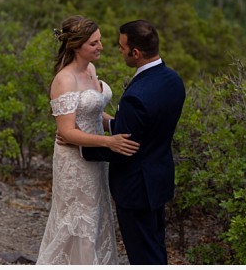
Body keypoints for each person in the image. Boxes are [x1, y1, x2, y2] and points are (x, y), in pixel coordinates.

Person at [36, 16, 140, 265]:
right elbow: (67, 132)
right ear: (76, 46)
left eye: (100, 40)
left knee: (97, 214)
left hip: (96, 156)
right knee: (79, 219)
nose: (101, 46)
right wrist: (109, 142)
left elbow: (92, 112)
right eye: (94, 43)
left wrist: (116, 126)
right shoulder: (65, 80)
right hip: (75, 162)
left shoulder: (91, 69)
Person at [81, 20, 186, 265]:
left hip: (136, 187)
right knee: (155, 247)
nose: (118, 50)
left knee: (142, 256)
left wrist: (81, 146)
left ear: (135, 53)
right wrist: (108, 123)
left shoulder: (136, 97)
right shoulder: (173, 81)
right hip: (158, 178)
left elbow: (124, 149)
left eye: (121, 47)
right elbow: (144, 130)